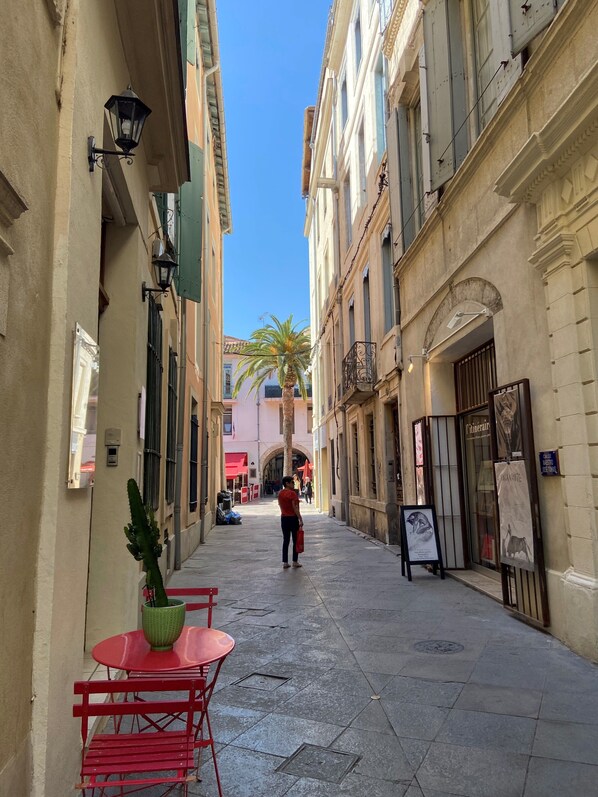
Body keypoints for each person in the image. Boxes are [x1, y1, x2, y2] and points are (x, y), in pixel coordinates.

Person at [277, 475, 303, 569]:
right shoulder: (292, 494)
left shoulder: (280, 493)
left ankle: (285, 562)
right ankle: (295, 561)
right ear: (287, 483)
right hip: (292, 518)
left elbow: (280, 505)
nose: (293, 483)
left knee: (286, 540)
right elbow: (295, 507)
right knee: (295, 540)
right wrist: (300, 518)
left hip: (284, 518)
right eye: (292, 482)